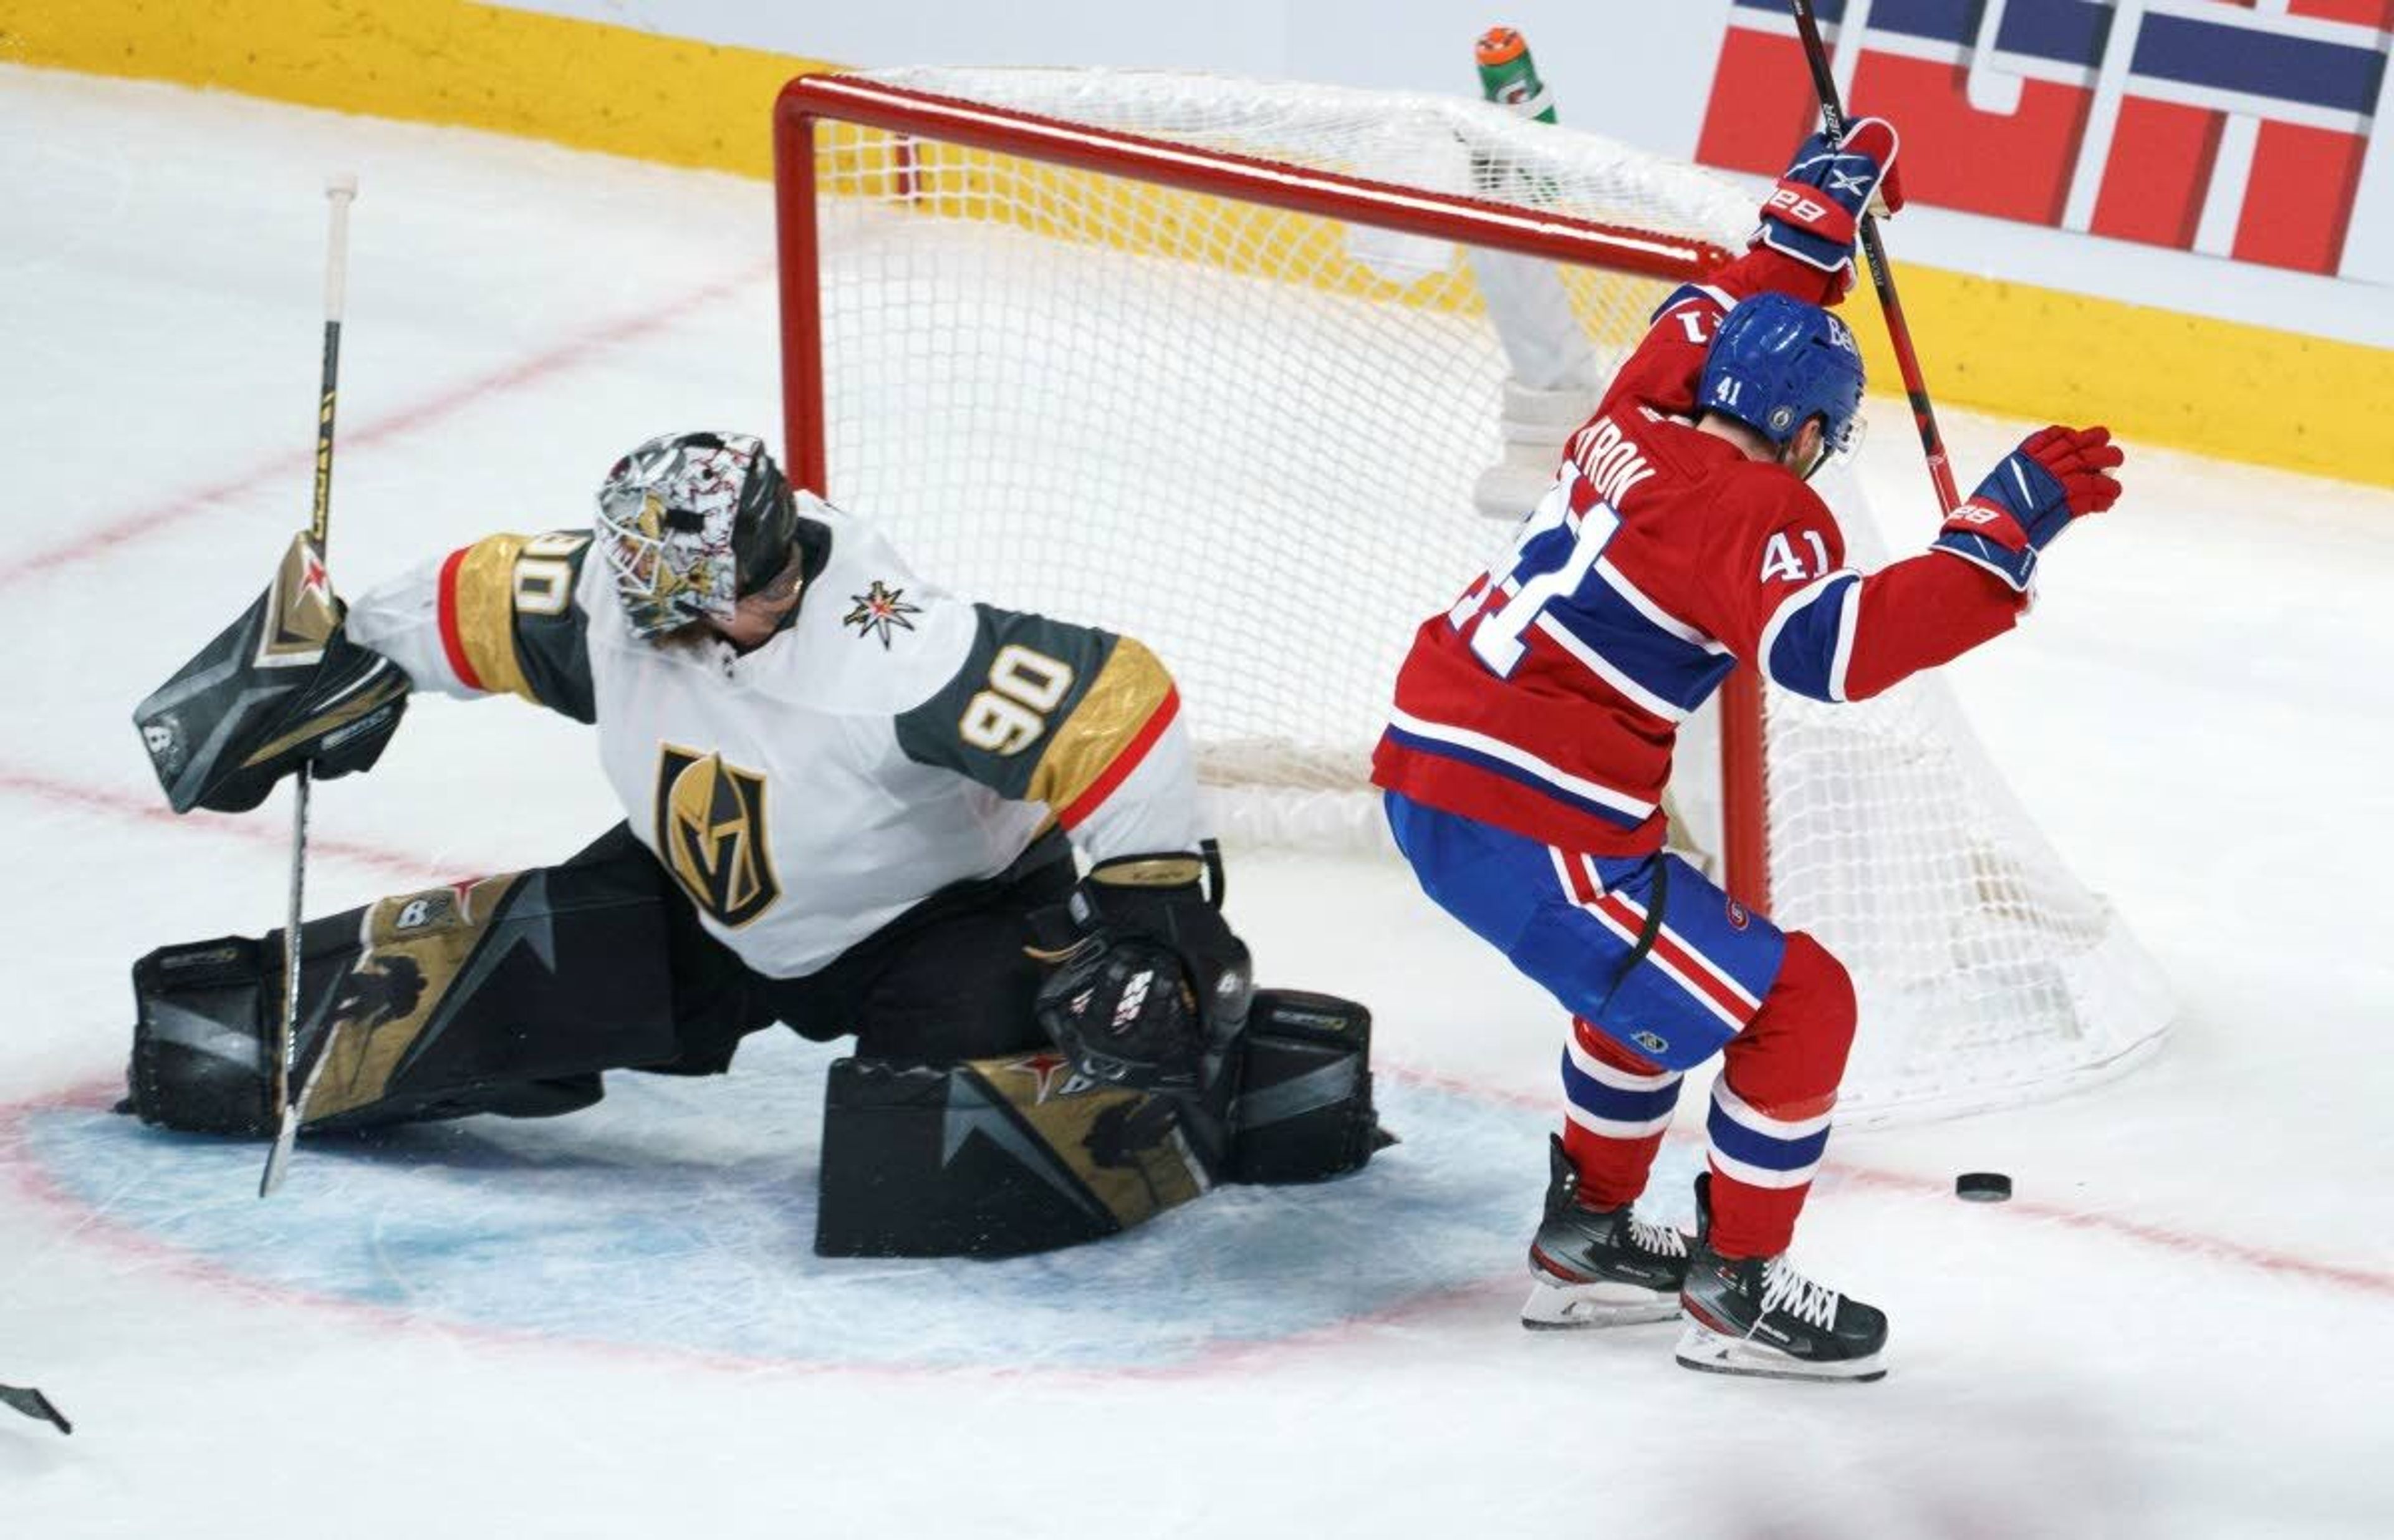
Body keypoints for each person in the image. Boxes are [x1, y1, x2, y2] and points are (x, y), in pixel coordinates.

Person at [125, 431, 1382, 1256]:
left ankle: (1232, 1073)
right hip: (707, 900)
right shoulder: (618, 609)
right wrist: (333, 654)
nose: (697, 622)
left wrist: (1154, 924)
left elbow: (1118, 701)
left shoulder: (902, 649)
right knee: (518, 969)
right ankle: (257, 1020)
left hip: (948, 920)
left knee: (925, 1162)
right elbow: (473, 592)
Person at [1370, 120, 2125, 1380]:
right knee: (1800, 1000)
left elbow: (1726, 307)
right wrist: (1999, 532)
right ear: (1807, 432)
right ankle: (1736, 1291)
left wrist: (1816, 222)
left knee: (1653, 982)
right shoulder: (1758, 506)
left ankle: (1591, 1242)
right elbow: (1831, 651)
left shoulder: (1636, 411)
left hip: (1447, 758)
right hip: (1529, 813)